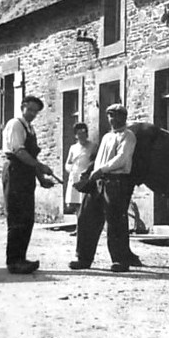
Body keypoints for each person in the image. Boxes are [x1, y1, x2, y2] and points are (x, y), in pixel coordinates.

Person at [69, 104, 142, 273]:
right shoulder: (107, 137)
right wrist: (90, 169)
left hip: (116, 182)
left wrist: (101, 170)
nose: (112, 119)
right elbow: (100, 159)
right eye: (109, 116)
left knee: (116, 222)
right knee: (86, 218)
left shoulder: (128, 136)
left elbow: (122, 159)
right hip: (98, 182)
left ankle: (120, 261)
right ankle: (83, 258)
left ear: (124, 117)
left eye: (116, 115)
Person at [2, 95, 55, 274]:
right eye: (30, 109)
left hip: (26, 174)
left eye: (35, 112)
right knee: (17, 217)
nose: (32, 114)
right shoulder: (16, 124)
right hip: (15, 171)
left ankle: (21, 258)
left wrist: (41, 179)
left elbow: (32, 158)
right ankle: (13, 261)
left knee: (27, 218)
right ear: (22, 107)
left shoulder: (30, 128)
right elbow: (20, 152)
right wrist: (40, 166)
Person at [64, 122, 97, 215]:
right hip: (75, 176)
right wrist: (71, 171)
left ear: (87, 134)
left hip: (86, 177)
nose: (82, 136)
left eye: (84, 133)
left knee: (86, 201)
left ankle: (86, 226)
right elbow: (68, 163)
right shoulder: (73, 148)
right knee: (76, 203)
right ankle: (78, 226)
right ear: (75, 135)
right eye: (79, 134)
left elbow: (95, 162)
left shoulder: (93, 146)